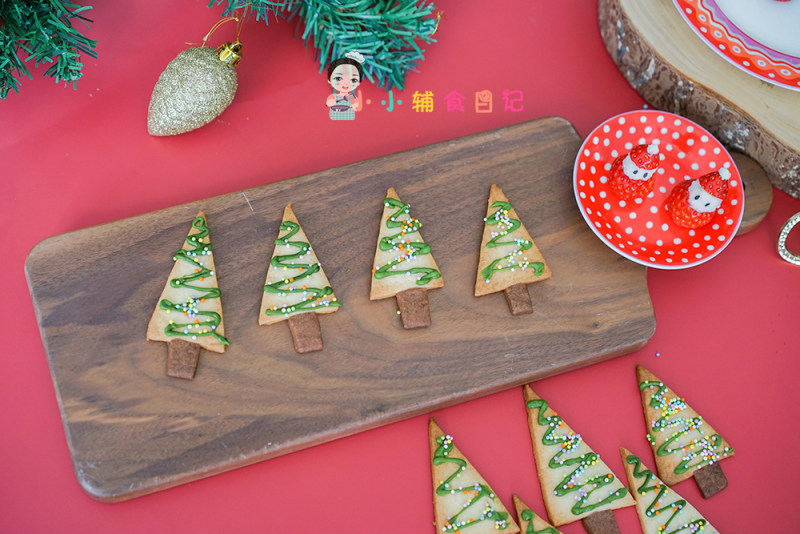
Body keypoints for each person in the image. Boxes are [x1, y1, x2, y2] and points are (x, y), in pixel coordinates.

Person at [326, 51, 365, 120]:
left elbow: (357, 107)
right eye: (338, 78)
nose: (346, 83)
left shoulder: (352, 97)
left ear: (358, 83)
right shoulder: (333, 96)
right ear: (329, 80)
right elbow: (328, 103)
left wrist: (355, 106)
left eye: (353, 80)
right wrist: (330, 102)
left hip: (349, 117)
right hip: (334, 116)